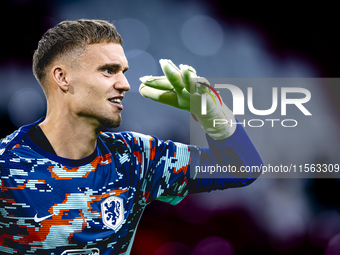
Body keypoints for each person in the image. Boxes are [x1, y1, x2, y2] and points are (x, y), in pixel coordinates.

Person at [0, 19, 262, 255]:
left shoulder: (136, 157)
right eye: (108, 70)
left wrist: (212, 114)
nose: (124, 84)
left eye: (123, 71)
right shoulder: (6, 165)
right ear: (63, 77)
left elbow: (242, 168)